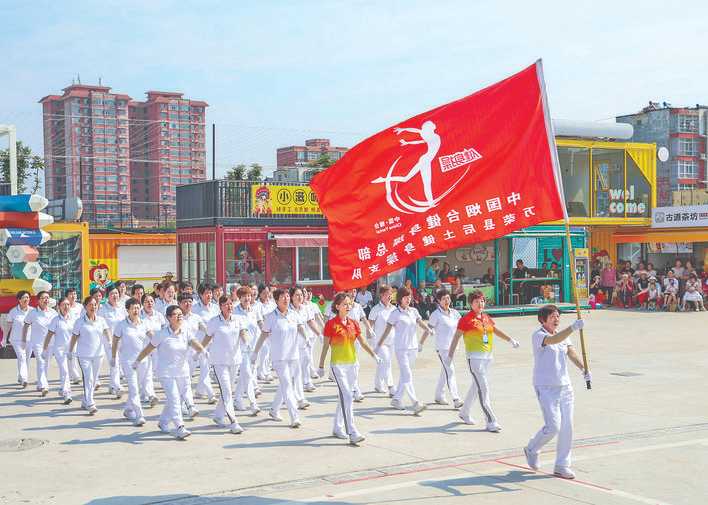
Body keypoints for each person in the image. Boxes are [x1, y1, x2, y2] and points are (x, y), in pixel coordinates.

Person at [523, 305, 590, 480]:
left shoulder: (562, 335)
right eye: (552, 316)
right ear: (542, 319)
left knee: (567, 426)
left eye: (558, 316)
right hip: (546, 387)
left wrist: (583, 368)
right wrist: (573, 328)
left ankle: (562, 465)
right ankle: (532, 448)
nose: (556, 319)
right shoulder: (538, 335)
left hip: (565, 386)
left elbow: (571, 351)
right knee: (553, 426)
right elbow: (553, 341)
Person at [132, 305, 207, 439]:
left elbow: (194, 342)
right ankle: (180, 426)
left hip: (182, 370)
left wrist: (202, 350)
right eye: (176, 314)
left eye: (180, 314)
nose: (179, 316)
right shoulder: (161, 334)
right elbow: (148, 349)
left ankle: (163, 421)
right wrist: (137, 361)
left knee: (175, 398)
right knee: (174, 398)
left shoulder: (186, 331)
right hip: (165, 372)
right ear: (168, 318)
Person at [448, 290, 519, 432]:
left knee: (476, 386)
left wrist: (510, 339)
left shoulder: (486, 317)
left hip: (487, 357)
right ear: (471, 304)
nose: (480, 304)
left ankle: (464, 412)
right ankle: (491, 421)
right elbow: (456, 337)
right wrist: (450, 356)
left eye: (482, 301)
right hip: (474, 359)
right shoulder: (466, 319)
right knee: (484, 388)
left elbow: (495, 330)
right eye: (476, 301)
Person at [318, 291, 379, 445]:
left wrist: (374, 356)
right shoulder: (331, 324)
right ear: (337, 306)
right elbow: (325, 346)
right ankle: (352, 431)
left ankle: (337, 427)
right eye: (344, 304)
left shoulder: (353, 323)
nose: (348, 306)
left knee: (344, 397)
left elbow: (363, 342)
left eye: (349, 304)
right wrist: (320, 366)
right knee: (348, 396)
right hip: (338, 365)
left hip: (352, 364)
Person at [251, 288, 308, 428]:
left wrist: (306, 338)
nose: (286, 299)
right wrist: (255, 352)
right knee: (287, 385)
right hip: (279, 357)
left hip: (293, 356)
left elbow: (300, 327)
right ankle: (294, 417)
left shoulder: (293, 314)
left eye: (288, 296)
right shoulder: (271, 317)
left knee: (286, 384)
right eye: (283, 297)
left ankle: (274, 410)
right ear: (276, 300)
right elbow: (263, 335)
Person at [376, 287, 431, 415]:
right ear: (400, 299)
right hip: (401, 348)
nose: (408, 299)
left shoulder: (413, 311)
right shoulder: (395, 314)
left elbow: (420, 322)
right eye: (406, 297)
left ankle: (396, 399)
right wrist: (379, 344)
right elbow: (387, 330)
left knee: (405, 376)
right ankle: (415, 402)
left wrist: (428, 329)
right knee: (408, 375)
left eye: (410, 297)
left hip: (413, 348)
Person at [202, 295, 248, 434]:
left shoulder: (238, 319)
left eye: (231, 304)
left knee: (226, 391)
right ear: (220, 306)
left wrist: (246, 342)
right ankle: (234, 422)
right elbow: (207, 338)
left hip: (234, 361)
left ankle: (218, 415)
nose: (229, 307)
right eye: (226, 304)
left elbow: (243, 332)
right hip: (219, 361)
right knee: (227, 391)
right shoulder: (214, 322)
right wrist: (197, 352)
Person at [420, 289, 463, 408]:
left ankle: (439, 395)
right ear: (438, 301)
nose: (446, 301)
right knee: (450, 371)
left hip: (453, 347)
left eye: (448, 298)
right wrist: (421, 343)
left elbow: (462, 327)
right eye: (444, 299)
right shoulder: (436, 314)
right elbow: (428, 329)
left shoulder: (455, 313)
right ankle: (456, 398)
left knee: (445, 371)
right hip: (442, 348)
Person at [112, 299, 151, 426]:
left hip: (142, 361)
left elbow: (154, 337)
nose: (136, 310)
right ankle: (139, 415)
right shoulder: (121, 325)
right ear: (127, 310)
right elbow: (115, 341)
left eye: (137, 308)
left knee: (137, 388)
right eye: (133, 308)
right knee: (134, 388)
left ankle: (128, 410)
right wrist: (113, 357)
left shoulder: (144, 323)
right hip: (128, 361)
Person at [69, 297, 111, 415]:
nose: (93, 307)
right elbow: (74, 337)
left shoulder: (101, 320)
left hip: (98, 354)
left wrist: (110, 342)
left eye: (95, 305)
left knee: (93, 379)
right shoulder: (79, 321)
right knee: (89, 378)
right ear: (85, 307)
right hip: (84, 355)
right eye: (90, 305)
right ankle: (90, 403)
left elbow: (107, 331)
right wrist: (70, 351)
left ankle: (85, 400)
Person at [233, 286, 262, 415]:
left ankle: (238, 400)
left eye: (249, 296)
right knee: (248, 375)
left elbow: (261, 325)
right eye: (244, 296)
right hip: (241, 349)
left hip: (254, 348)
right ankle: (253, 403)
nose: (247, 298)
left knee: (245, 375)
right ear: (239, 298)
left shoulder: (254, 311)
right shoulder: (234, 311)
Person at [23, 290, 57, 396]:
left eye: (47, 298)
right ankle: (44, 385)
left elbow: (57, 327)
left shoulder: (53, 312)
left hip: (51, 343)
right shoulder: (32, 313)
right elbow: (26, 325)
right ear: (38, 300)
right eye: (43, 298)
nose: (46, 300)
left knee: (45, 364)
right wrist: (24, 339)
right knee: (41, 362)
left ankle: (40, 383)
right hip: (37, 343)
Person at [290, 286, 321, 399]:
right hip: (291, 345)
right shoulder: (288, 310)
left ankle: (307, 382)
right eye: (297, 295)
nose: (300, 297)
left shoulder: (305, 308)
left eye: (301, 295)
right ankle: (295, 393)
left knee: (307, 361)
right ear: (292, 297)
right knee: (295, 370)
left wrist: (320, 334)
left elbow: (311, 322)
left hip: (304, 342)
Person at [42, 297, 74, 404]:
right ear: (59, 306)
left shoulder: (73, 318)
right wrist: (44, 349)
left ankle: (62, 388)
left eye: (68, 304)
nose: (66, 307)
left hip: (72, 349)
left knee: (69, 371)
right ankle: (67, 393)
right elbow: (49, 335)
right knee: (64, 370)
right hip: (59, 349)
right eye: (64, 305)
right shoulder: (55, 320)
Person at [97, 285, 127, 398]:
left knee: (119, 363)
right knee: (114, 362)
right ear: (107, 296)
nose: (115, 296)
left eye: (116, 293)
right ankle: (117, 386)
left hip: (122, 340)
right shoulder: (102, 309)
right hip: (109, 340)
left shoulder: (122, 307)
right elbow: (101, 326)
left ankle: (112, 385)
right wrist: (108, 340)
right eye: (112, 294)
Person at [192, 284, 219, 402]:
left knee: (207, 367)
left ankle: (199, 391)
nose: (209, 295)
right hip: (200, 343)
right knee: (204, 368)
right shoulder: (194, 308)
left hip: (213, 343)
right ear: (200, 294)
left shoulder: (215, 307)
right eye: (206, 293)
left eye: (210, 293)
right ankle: (210, 394)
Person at [368, 285, 397, 396]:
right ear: (381, 295)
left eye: (390, 294)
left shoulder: (394, 309)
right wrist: (370, 339)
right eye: (386, 294)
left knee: (383, 363)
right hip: (379, 342)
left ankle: (378, 384)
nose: (389, 296)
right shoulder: (376, 309)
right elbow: (369, 325)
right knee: (386, 362)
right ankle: (391, 386)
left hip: (392, 340)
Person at [140, 293, 165, 406]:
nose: (149, 303)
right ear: (142, 303)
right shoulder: (139, 315)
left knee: (154, 371)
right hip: (143, 347)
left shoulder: (159, 315)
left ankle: (144, 394)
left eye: (151, 301)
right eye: (146, 301)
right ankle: (151, 395)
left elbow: (164, 329)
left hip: (157, 348)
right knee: (147, 372)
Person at [6, 290, 32, 388]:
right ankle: (24, 379)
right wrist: (4, 338)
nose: (26, 299)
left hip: (29, 339)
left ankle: (21, 376)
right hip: (16, 339)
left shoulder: (33, 311)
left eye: (28, 297)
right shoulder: (13, 311)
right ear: (19, 300)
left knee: (26, 359)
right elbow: (8, 326)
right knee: (22, 357)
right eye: (24, 297)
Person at [254, 285, 276, 382]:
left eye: (268, 292)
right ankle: (261, 372)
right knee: (264, 352)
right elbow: (260, 319)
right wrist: (265, 330)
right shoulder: (258, 305)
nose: (266, 295)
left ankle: (266, 371)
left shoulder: (272, 304)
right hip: (262, 332)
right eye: (264, 293)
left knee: (270, 352)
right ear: (260, 294)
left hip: (272, 331)